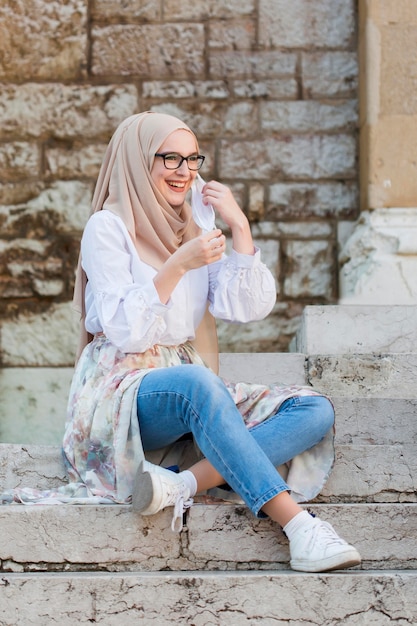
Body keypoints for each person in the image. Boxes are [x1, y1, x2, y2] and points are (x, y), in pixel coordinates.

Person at [64, 111, 361, 573]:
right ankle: (300, 527)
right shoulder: (108, 227)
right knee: (198, 384)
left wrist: (238, 226)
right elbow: (124, 330)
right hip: (123, 384)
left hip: (186, 376)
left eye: (192, 158)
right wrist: (177, 265)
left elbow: (243, 307)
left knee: (313, 409)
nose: (185, 171)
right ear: (139, 162)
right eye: (170, 158)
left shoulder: (196, 222)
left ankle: (182, 485)